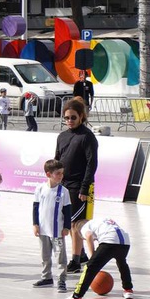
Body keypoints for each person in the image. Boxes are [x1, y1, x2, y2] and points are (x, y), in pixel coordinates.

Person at [55, 98, 97, 274]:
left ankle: (75, 260)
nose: (69, 121)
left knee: (76, 224)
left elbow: (91, 164)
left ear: (81, 117)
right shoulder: (62, 136)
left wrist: (84, 188)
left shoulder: (87, 137)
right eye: (67, 118)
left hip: (79, 186)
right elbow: (57, 160)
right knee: (67, 222)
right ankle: (81, 254)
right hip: (64, 185)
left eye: (73, 117)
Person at [56, 216, 135, 299]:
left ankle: (76, 298)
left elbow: (89, 236)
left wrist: (93, 256)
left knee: (90, 268)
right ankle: (128, 290)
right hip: (125, 242)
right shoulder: (101, 221)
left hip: (110, 241)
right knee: (122, 263)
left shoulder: (84, 227)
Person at [32, 158, 69, 291]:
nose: (61, 176)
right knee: (45, 255)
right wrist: (35, 224)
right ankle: (47, 277)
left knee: (60, 256)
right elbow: (35, 207)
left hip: (57, 231)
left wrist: (66, 227)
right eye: (58, 173)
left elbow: (67, 210)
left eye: (62, 173)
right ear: (48, 174)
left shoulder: (64, 191)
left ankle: (62, 280)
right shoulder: (40, 189)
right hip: (43, 229)